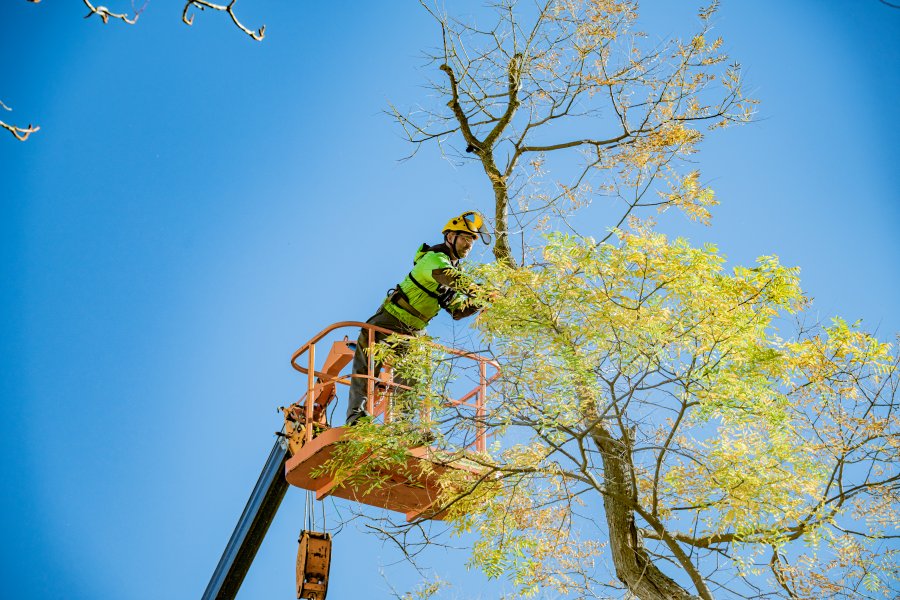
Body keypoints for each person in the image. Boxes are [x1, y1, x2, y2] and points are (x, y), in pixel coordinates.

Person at [345, 211, 492, 426]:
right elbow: (450, 278)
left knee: (410, 376)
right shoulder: (433, 259)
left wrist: (482, 301)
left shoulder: (452, 268)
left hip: (415, 330)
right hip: (390, 319)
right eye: (465, 238)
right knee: (367, 365)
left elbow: (457, 310)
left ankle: (403, 427)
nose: (469, 245)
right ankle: (357, 418)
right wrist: (482, 292)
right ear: (450, 237)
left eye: (472, 240)